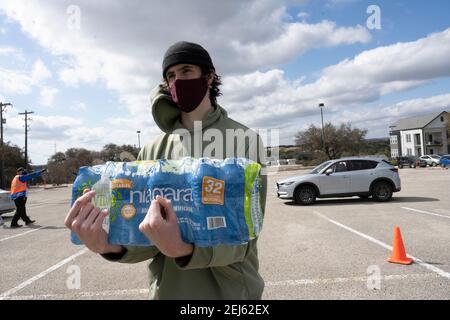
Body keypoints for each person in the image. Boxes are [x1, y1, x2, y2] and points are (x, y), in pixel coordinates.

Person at [64, 41, 267, 299]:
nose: (178, 80)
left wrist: (184, 249)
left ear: (209, 76)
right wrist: (109, 245)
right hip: (167, 291)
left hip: (230, 293)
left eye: (186, 71)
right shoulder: (151, 151)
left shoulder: (244, 139)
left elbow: (246, 237)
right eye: (170, 75)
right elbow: (144, 235)